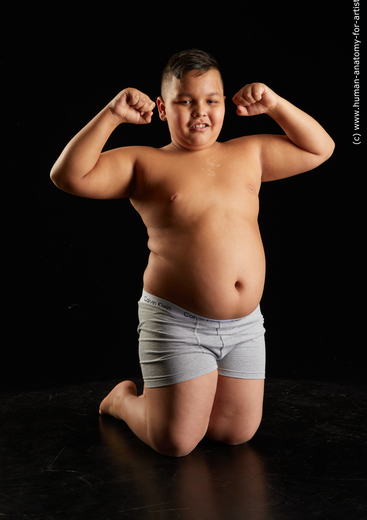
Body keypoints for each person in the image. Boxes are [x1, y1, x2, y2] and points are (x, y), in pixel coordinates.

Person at [50, 49, 334, 457]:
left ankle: (187, 402)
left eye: (211, 100)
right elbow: (67, 176)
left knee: (236, 433)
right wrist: (112, 114)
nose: (200, 111)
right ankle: (122, 401)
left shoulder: (248, 153)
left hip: (245, 326)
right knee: (177, 443)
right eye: (186, 101)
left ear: (224, 104)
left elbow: (319, 148)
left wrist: (273, 104)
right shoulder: (145, 162)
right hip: (178, 322)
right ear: (163, 109)